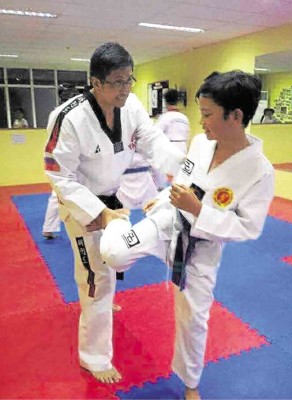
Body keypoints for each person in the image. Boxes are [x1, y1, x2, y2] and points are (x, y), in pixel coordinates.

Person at [100, 70, 275, 399]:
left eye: (207, 115)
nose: (201, 122)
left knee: (194, 318)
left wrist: (198, 210)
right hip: (169, 221)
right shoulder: (200, 143)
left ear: (235, 116)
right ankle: (117, 219)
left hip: (203, 246)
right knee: (115, 254)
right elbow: (184, 180)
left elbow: (247, 227)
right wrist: (167, 196)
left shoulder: (259, 171)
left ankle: (190, 383)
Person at [44, 42, 185, 384]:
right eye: (118, 82)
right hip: (81, 201)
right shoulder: (68, 118)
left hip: (113, 194)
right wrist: (100, 213)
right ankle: (94, 357)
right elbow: (59, 175)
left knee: (115, 258)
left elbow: (153, 142)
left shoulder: (131, 105)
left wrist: (184, 172)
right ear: (96, 82)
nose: (126, 89)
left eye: (129, 80)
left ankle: (106, 298)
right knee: (94, 278)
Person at [42, 84, 80, 239]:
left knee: (59, 192)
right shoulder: (73, 112)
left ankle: (49, 228)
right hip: (68, 156)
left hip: (57, 155)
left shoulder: (55, 113)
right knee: (66, 191)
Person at [152, 89, 190, 190]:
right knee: (179, 177)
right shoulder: (184, 118)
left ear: (166, 102)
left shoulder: (165, 117)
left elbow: (155, 134)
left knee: (165, 179)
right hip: (182, 148)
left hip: (169, 150)